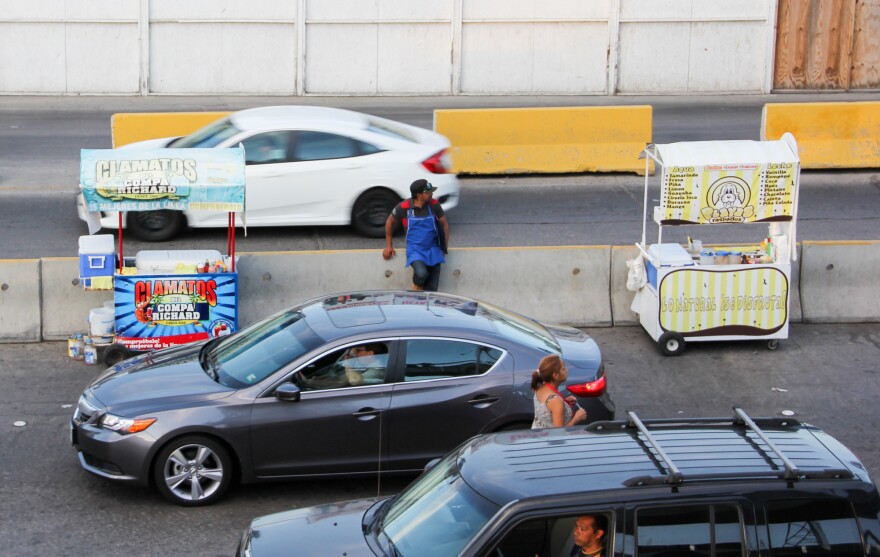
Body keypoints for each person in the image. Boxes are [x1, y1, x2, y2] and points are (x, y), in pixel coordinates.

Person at [383, 178, 449, 292]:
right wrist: (389, 246)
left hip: (433, 248)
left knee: (432, 288)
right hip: (415, 250)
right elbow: (389, 222)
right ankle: (416, 288)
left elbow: (445, 225)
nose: (432, 194)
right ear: (419, 195)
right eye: (428, 192)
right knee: (421, 273)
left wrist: (444, 248)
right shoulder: (404, 207)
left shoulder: (434, 205)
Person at [530, 354, 587, 429]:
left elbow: (547, 409)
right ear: (555, 375)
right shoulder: (556, 401)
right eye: (563, 369)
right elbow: (559, 433)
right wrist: (577, 418)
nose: (567, 370)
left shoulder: (540, 386)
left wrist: (565, 401)